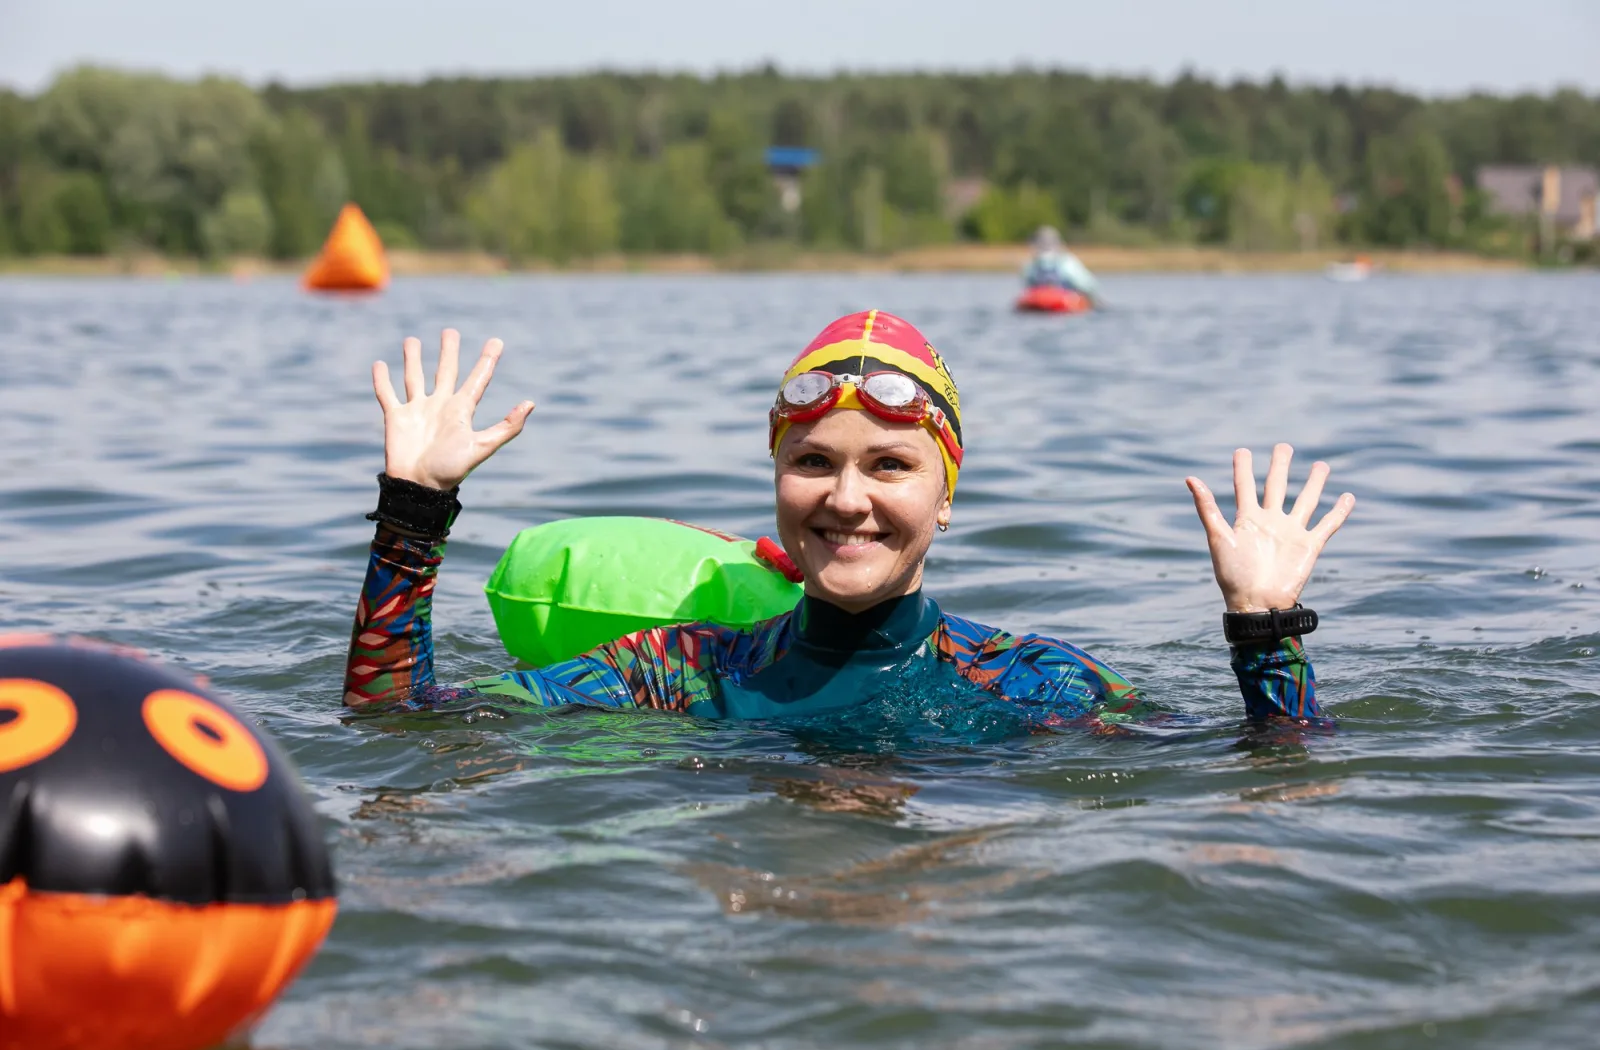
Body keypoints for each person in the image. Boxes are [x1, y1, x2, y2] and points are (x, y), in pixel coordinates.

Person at [344, 311, 1354, 729]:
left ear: (944, 495)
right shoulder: (684, 670)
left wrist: (1265, 636)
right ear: (778, 481)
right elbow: (395, 725)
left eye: (890, 465)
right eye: (814, 463)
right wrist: (414, 515)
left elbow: (1272, 775)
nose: (847, 498)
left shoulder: (1032, 681)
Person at [1022, 225, 1101, 304]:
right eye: (1043, 242)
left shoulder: (1067, 262)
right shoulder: (1031, 265)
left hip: (1068, 296)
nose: (1046, 245)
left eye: (1049, 242)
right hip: (1040, 298)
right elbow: (1029, 287)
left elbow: (1087, 286)